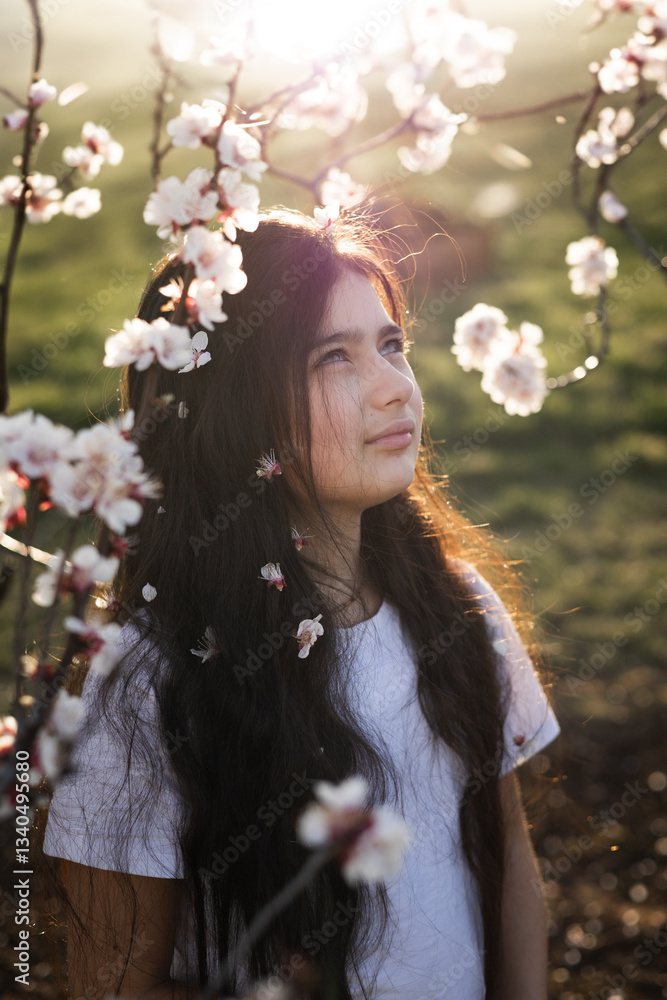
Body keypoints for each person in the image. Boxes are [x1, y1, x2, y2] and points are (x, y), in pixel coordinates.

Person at [39, 206, 561, 1000]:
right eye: (333, 360)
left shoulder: (459, 609)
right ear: (235, 412)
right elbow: (110, 983)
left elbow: (510, 867)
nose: (393, 389)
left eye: (391, 346)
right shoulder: (148, 681)